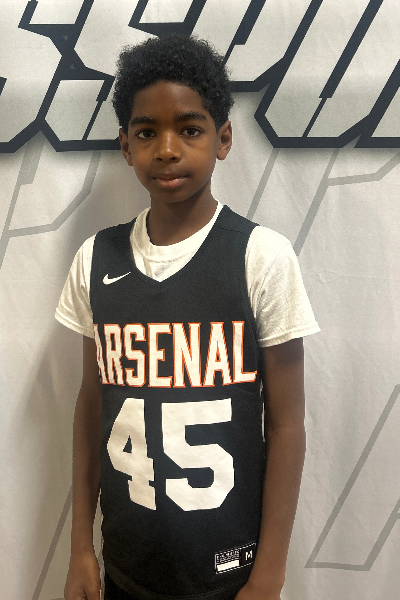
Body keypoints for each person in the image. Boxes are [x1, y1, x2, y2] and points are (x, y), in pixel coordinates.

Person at [56, 34, 319, 600]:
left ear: (223, 138)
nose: (167, 149)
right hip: (126, 568)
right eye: (147, 132)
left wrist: (269, 575)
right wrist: (80, 547)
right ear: (125, 145)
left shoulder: (262, 257)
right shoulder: (95, 259)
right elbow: (92, 404)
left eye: (190, 129)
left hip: (230, 574)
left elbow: (288, 424)